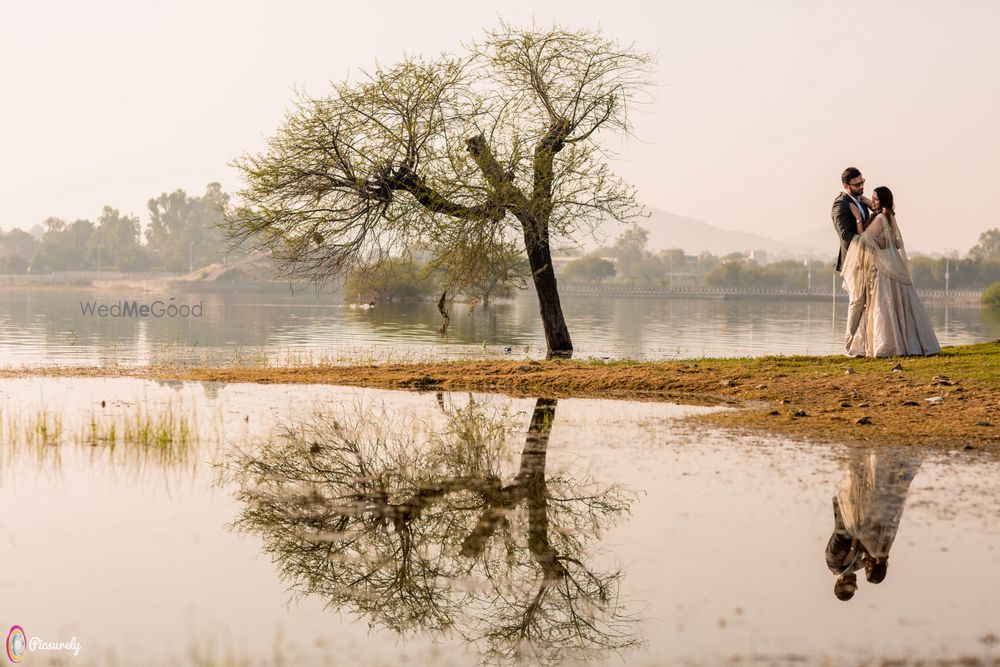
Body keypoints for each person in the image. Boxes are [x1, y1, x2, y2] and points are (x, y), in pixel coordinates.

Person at [841, 185, 941, 356]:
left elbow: (864, 239)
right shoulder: (889, 217)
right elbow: (893, 242)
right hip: (891, 264)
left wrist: (858, 218)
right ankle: (910, 343)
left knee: (882, 306)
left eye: (876, 199)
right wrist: (868, 203)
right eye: (872, 198)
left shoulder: (880, 218)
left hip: (883, 268)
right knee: (898, 304)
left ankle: (887, 345)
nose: (872, 201)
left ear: (883, 201)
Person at [832, 167, 872, 347]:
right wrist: (868, 243)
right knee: (856, 301)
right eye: (857, 184)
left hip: (867, 260)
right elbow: (846, 236)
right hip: (853, 261)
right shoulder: (840, 205)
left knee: (866, 301)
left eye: (863, 182)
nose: (862, 186)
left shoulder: (861, 201)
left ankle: (863, 341)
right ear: (846, 186)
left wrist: (871, 204)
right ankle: (850, 343)